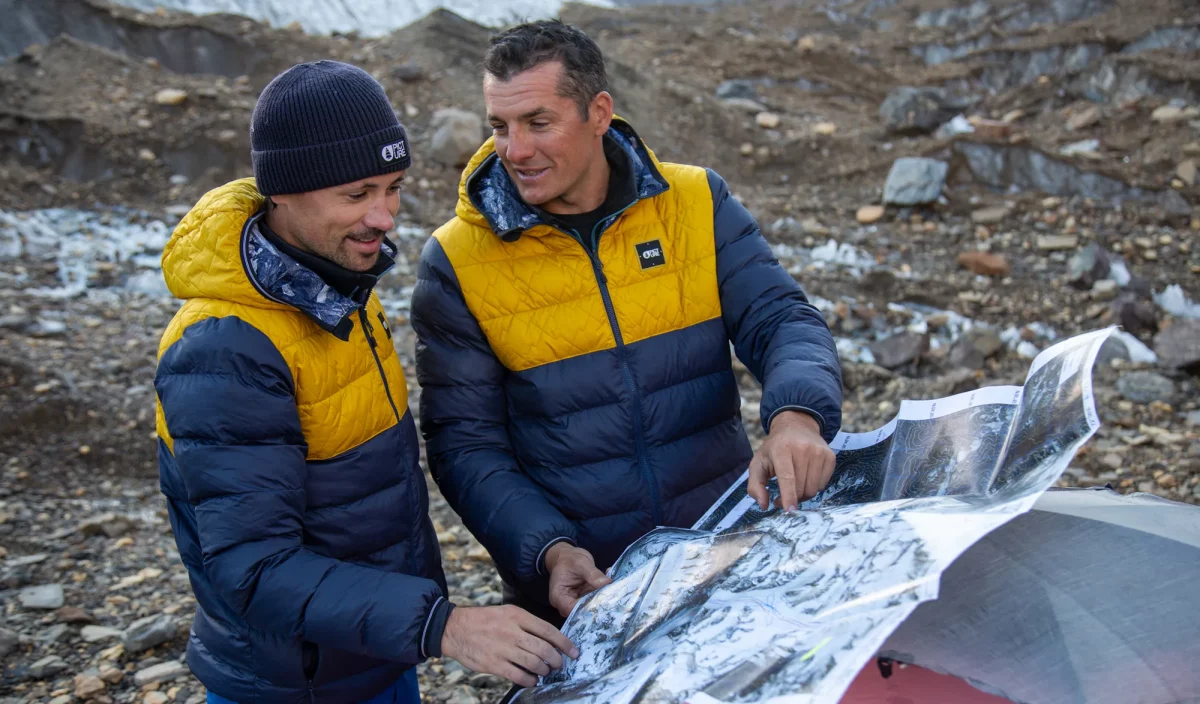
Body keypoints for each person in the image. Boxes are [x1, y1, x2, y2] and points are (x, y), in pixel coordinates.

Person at [153, 60, 576, 704]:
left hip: (368, 654)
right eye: (357, 194)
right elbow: (253, 568)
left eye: (393, 187)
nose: (384, 218)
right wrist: (444, 625)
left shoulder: (337, 287)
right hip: (294, 685)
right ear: (283, 193)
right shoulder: (227, 345)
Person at [411, 20, 843, 629]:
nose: (515, 150)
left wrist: (797, 418)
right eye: (499, 127)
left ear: (599, 113)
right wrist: (547, 550)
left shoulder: (694, 202)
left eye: (538, 122)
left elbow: (782, 320)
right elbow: (465, 446)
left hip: (721, 552)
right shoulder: (457, 259)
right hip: (582, 593)